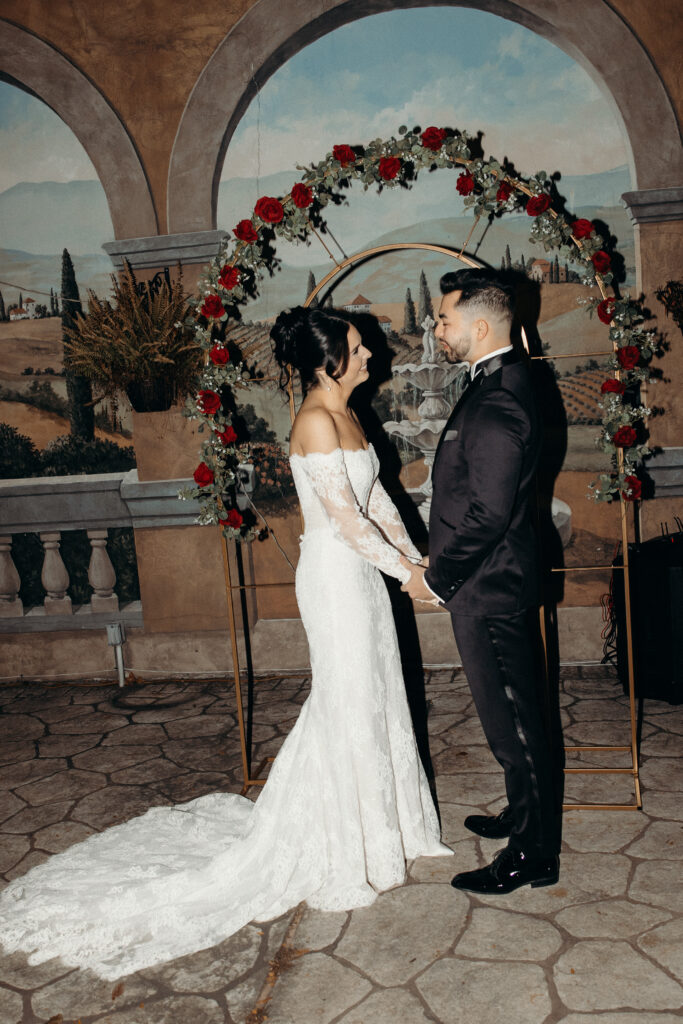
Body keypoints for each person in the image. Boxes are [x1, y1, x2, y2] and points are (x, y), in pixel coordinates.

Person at [0, 305, 450, 980]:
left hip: (366, 578)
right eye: (358, 349)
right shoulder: (315, 421)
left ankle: (390, 830)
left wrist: (420, 563)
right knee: (347, 699)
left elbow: (379, 499)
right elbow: (346, 523)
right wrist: (406, 574)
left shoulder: (352, 415)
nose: (370, 356)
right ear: (326, 361)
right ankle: (348, 843)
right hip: (334, 578)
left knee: (378, 690)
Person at [401, 268, 561, 894]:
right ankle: (526, 815)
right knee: (512, 718)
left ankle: (533, 856)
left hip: (488, 585)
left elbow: (488, 513)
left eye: (444, 319)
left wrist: (438, 578)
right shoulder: (505, 380)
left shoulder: (498, 397)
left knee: (513, 724)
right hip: (494, 581)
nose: (435, 329)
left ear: (483, 325)